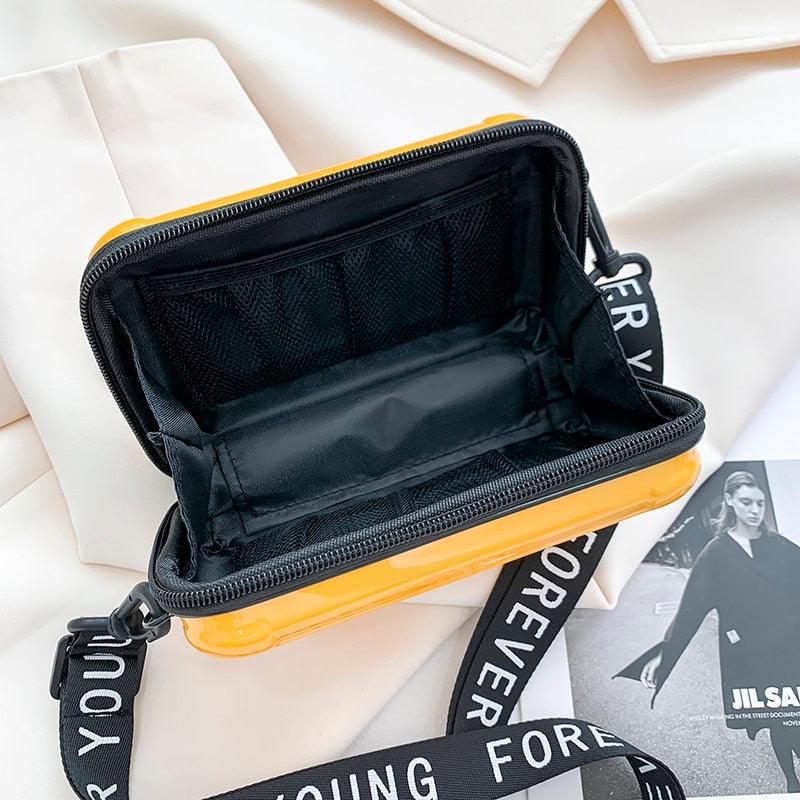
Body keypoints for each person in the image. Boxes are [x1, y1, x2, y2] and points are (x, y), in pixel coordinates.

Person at [619, 471, 800, 791]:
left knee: (793, 717)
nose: (755, 510)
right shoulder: (715, 553)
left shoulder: (780, 546)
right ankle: (790, 781)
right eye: (746, 502)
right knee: (778, 719)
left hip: (791, 648)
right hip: (753, 656)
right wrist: (665, 653)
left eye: (759, 503)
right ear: (730, 501)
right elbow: (690, 610)